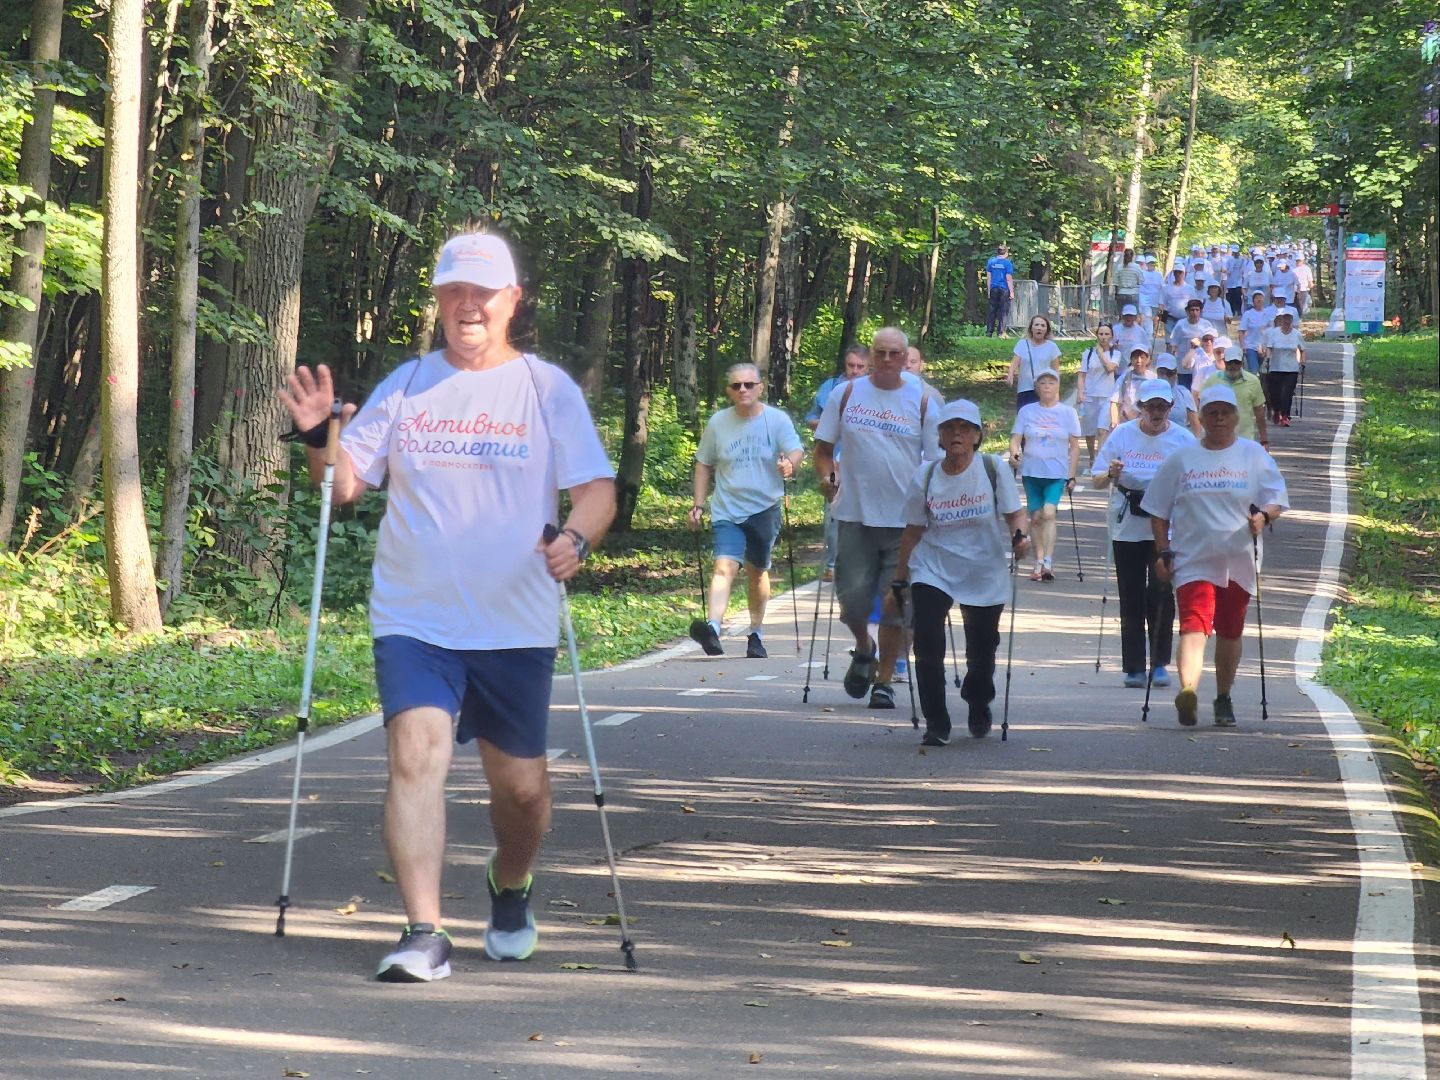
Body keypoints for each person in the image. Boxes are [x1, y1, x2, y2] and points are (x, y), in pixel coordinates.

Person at [277, 232, 617, 982]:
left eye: (483, 293)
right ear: (437, 301)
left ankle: (510, 882)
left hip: (514, 621)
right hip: (416, 617)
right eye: (455, 292)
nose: (469, 306)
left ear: (511, 301)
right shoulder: (408, 384)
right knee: (415, 753)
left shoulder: (545, 388)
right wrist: (319, 436)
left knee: (522, 792)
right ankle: (423, 930)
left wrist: (575, 539)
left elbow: (596, 490)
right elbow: (343, 486)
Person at [1142, 383, 1289, 727]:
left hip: (1238, 558)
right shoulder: (1182, 458)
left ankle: (1223, 697)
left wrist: (1263, 517)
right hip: (1192, 557)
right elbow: (1158, 510)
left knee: (1230, 629)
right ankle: (1188, 692)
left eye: (1225, 412)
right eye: (1212, 413)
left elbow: (1277, 498)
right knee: (1193, 624)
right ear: (1203, 418)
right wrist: (1163, 550)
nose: (1219, 418)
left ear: (1235, 417)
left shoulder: (1253, 454)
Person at [814, 326, 940, 710]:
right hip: (854, 514)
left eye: (894, 354)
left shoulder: (922, 400)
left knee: (895, 602)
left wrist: (934, 505)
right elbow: (823, 449)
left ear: (905, 358)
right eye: (880, 353)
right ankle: (864, 647)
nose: (886, 360)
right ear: (871, 356)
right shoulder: (845, 394)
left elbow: (935, 463)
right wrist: (827, 477)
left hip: (905, 521)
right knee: (852, 602)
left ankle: (884, 680)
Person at [890, 400, 1030, 746]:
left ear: (977, 436)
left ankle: (978, 699)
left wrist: (1020, 537)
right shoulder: (925, 476)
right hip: (933, 566)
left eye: (964, 429)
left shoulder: (992, 469)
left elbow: (1015, 514)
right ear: (939, 436)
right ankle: (936, 722)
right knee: (927, 640)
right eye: (949, 428)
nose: (956, 435)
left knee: (982, 650)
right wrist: (900, 578)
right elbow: (912, 530)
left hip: (983, 568)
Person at [689, 363, 805, 659]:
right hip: (728, 508)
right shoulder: (718, 423)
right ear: (728, 391)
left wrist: (790, 464)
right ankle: (713, 628)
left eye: (749, 384)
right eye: (736, 385)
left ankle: (756, 633)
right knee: (724, 566)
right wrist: (698, 504)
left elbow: (796, 450)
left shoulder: (776, 420)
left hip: (765, 508)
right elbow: (703, 464)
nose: (743, 389)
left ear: (760, 388)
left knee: (756, 572)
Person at [1091, 378, 1197, 687]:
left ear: (1170, 408)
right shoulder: (1122, 434)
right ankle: (1134, 666)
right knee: (1131, 594)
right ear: (1140, 408)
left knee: (1161, 592)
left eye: (1162, 407)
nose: (1156, 413)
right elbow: (1097, 479)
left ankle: (1160, 662)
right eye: (1151, 407)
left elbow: (1195, 481)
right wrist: (1111, 473)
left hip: (1166, 525)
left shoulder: (1183, 439)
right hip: (1128, 524)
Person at [1009, 369, 1080, 581]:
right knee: (1036, 518)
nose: (1047, 386)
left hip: (1056, 472)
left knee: (1049, 513)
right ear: (1036, 388)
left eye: (1051, 382)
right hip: (1031, 472)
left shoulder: (1068, 413)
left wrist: (1072, 475)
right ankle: (1039, 562)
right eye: (1042, 383)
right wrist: (1014, 453)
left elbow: (1075, 446)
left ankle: (1048, 560)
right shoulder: (1026, 411)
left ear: (1058, 386)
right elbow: (1015, 439)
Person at [806, 345, 870, 577]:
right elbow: (811, 418)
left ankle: (861, 562)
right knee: (834, 514)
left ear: (868, 367)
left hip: (865, 463)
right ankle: (833, 565)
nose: (855, 370)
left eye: (860, 366)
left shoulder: (874, 390)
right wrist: (831, 422)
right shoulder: (831, 387)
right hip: (832, 459)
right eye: (851, 365)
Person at [1200, 347, 1268, 445]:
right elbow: (1202, 409)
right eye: (1230, 362)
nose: (1233, 366)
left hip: (1245, 439)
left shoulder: (1253, 381)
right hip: (1218, 440)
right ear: (1224, 361)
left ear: (1242, 362)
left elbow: (1259, 412)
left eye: (1236, 362)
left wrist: (1264, 440)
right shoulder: (1212, 380)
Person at [1076, 322, 1121, 466]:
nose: (1103, 337)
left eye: (1107, 334)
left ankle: (1099, 461)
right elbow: (1082, 374)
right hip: (1090, 396)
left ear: (1111, 336)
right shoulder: (1088, 353)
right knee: (1089, 432)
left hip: (1107, 397)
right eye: (1101, 334)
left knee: (1103, 430)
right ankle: (1092, 457)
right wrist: (1080, 393)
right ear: (1097, 335)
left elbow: (1110, 368)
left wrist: (1101, 353)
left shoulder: (1115, 354)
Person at [1006, 315, 1061, 411]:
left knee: (1043, 417)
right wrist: (1010, 374)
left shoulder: (1052, 347)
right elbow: (1015, 361)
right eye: (1036, 325)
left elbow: (1055, 371)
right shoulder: (1022, 344)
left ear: (1047, 329)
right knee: (1024, 415)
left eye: (1043, 326)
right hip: (1025, 389)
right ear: (1031, 328)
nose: (1039, 328)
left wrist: (1056, 392)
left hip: (1044, 390)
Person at [1260, 307, 1305, 425]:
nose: (1287, 321)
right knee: (1275, 393)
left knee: (1287, 393)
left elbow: (1302, 349)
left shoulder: (1297, 334)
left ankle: (1285, 416)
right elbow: (1269, 348)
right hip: (1276, 367)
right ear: (1281, 319)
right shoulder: (1274, 333)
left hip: (1292, 368)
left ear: (1292, 320)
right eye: (1285, 318)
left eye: (1289, 318)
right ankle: (1276, 411)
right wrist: (1268, 359)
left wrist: (1302, 363)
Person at [1168, 298, 1216, 388]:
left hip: (1201, 365)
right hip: (1184, 364)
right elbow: (1173, 344)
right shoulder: (1180, 325)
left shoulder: (1206, 324)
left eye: (1197, 310)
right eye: (1192, 310)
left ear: (1201, 311)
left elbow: (1212, 342)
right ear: (1187, 311)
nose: (1194, 313)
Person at [1152, 353, 1200, 436]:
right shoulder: (1149, 393)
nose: (1165, 376)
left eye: (1169, 373)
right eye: (1162, 372)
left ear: (1175, 374)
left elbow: (1195, 425)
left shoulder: (1184, 393)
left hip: (1180, 440)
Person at [1109, 346, 1156, 428]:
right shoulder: (1124, 378)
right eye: (1135, 357)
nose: (1139, 361)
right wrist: (1114, 423)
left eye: (1142, 357)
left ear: (1148, 359)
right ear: (1131, 359)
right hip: (1126, 422)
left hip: (1147, 423)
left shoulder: (1154, 378)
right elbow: (1115, 401)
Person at [1237, 290, 1275, 374]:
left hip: (1264, 347)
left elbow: (1272, 330)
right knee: (1254, 371)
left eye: (1260, 298)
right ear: (1253, 300)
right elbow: (1241, 331)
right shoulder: (1248, 314)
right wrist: (1243, 345)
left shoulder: (1268, 313)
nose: (1259, 300)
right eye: (1257, 298)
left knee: (1263, 371)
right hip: (1251, 346)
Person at [985, 243, 1017, 337]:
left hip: (993, 288)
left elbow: (989, 277)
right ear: (1006, 253)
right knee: (1003, 311)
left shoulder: (991, 262)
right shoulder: (1007, 263)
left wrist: (989, 290)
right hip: (1004, 289)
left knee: (992, 310)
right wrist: (1011, 291)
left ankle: (989, 332)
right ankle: (1001, 332)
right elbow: (1008, 278)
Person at [1111, 305, 1149, 371]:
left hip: (1135, 367)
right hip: (1117, 366)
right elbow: (1108, 346)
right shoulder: (1115, 329)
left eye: (1131, 316)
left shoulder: (1140, 331)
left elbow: (1147, 349)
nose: (1128, 318)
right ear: (1122, 316)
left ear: (1135, 317)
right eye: (1126, 315)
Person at [1160, 267, 1192, 335]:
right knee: (1169, 340)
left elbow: (1193, 304)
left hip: (1184, 319)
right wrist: (1162, 319)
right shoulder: (1166, 288)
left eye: (1180, 272)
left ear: (1184, 274)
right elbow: (1162, 304)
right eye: (1176, 272)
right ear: (1174, 274)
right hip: (1169, 319)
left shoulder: (1190, 288)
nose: (1178, 274)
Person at [1112, 248, 1143, 315]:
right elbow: (1141, 281)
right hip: (1133, 294)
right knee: (1133, 315)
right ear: (1133, 256)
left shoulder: (1119, 267)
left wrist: (1116, 294)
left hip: (1121, 293)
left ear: (1124, 256)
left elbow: (1115, 282)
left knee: (1121, 315)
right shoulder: (1137, 267)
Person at [1138, 255, 1164, 335]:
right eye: (1150, 263)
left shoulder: (1158, 275)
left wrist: (1161, 302)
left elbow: (1162, 288)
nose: (1151, 264)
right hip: (1144, 301)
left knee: (1150, 318)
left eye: (1153, 263)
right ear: (1146, 264)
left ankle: (1143, 333)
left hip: (1155, 301)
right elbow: (1139, 287)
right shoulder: (1142, 274)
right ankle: (1149, 336)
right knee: (1147, 317)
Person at [1225, 245, 1247, 317]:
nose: (1235, 254)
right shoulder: (1229, 260)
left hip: (1239, 281)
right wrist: (1228, 272)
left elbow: (1243, 269)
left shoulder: (1242, 259)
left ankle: (1239, 310)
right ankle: (1232, 311)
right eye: (1234, 252)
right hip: (1230, 281)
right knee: (1231, 297)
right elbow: (1226, 269)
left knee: (1238, 296)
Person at [1292, 252, 1314, 316]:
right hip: (1294, 289)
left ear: (1303, 261)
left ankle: (1301, 315)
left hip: (1304, 288)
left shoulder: (1307, 269)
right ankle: (1297, 315)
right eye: (1297, 260)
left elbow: (1310, 279)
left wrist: (1310, 284)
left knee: (1302, 303)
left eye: (1299, 260)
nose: (1298, 262)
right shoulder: (1293, 269)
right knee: (1296, 303)